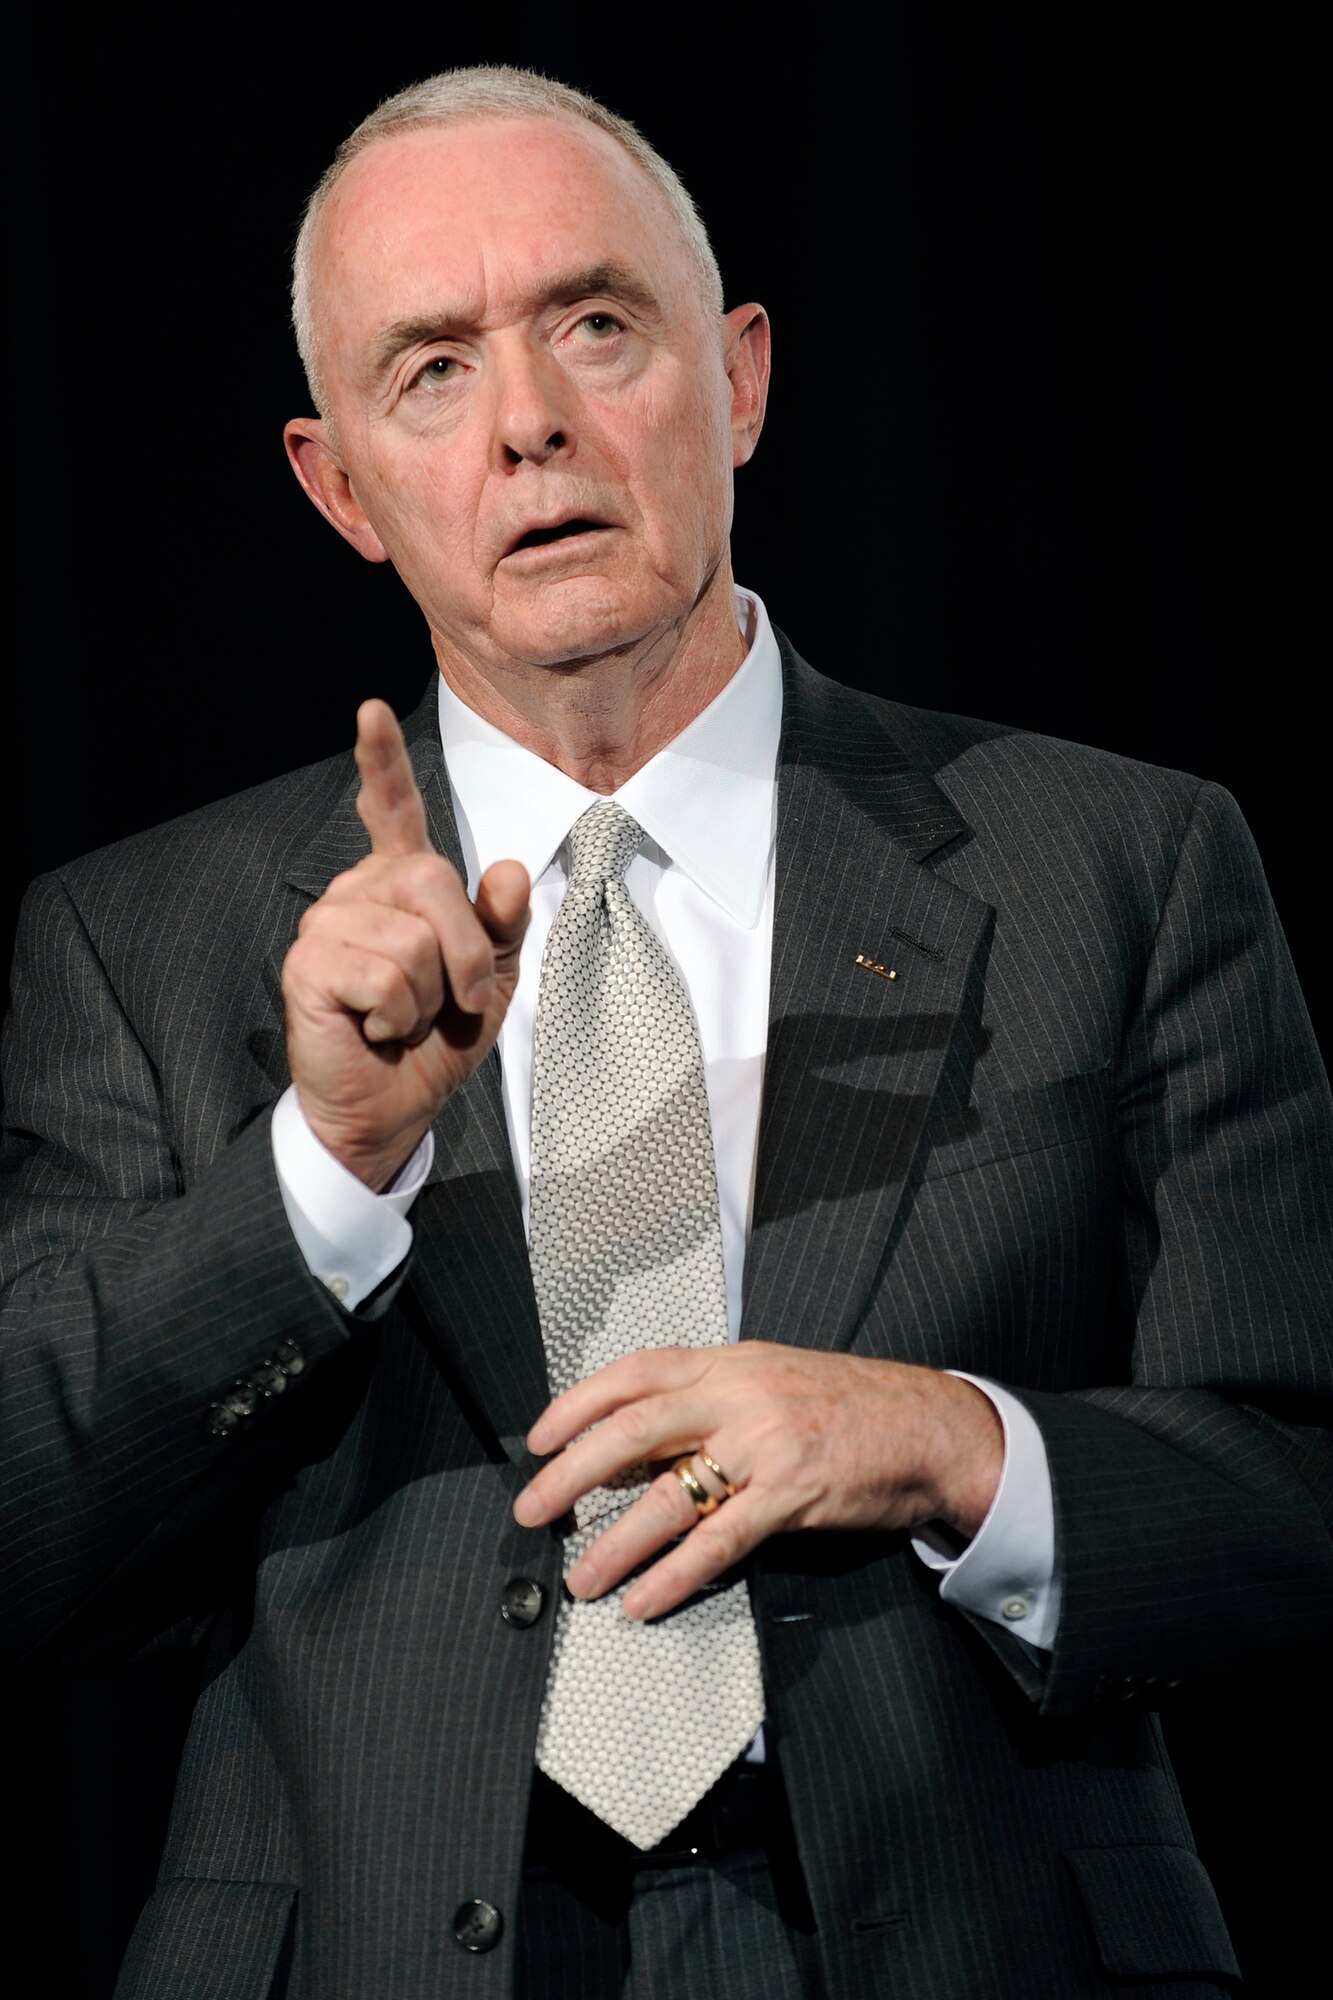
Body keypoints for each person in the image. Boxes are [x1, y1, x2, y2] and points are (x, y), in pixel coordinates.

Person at [1, 63, 1329, 2000]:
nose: (529, 420)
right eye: (432, 369)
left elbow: (1295, 1494)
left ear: (744, 377)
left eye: (595, 325)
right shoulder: (147, 941)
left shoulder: (1118, 863)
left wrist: (953, 1442)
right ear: (341, 486)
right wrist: (321, 1172)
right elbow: (32, 1546)